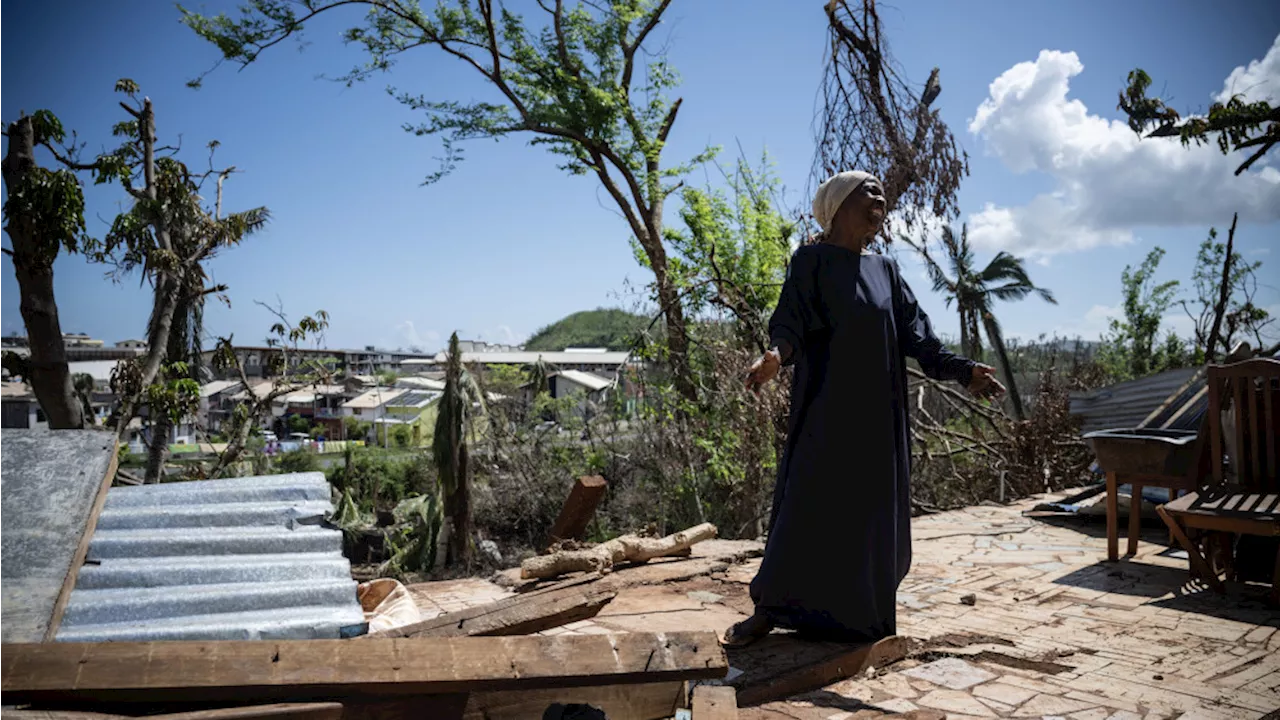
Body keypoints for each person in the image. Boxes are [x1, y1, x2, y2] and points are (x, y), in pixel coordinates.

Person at [722, 170, 1005, 647]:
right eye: (867, 189)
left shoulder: (886, 270)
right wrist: (775, 357)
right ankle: (770, 610)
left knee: (867, 518)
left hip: (877, 419)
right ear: (837, 205)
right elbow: (790, 320)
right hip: (826, 412)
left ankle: (855, 621)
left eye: (881, 190)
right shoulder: (811, 261)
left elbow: (919, 338)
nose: (879, 196)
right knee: (806, 508)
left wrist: (963, 370)